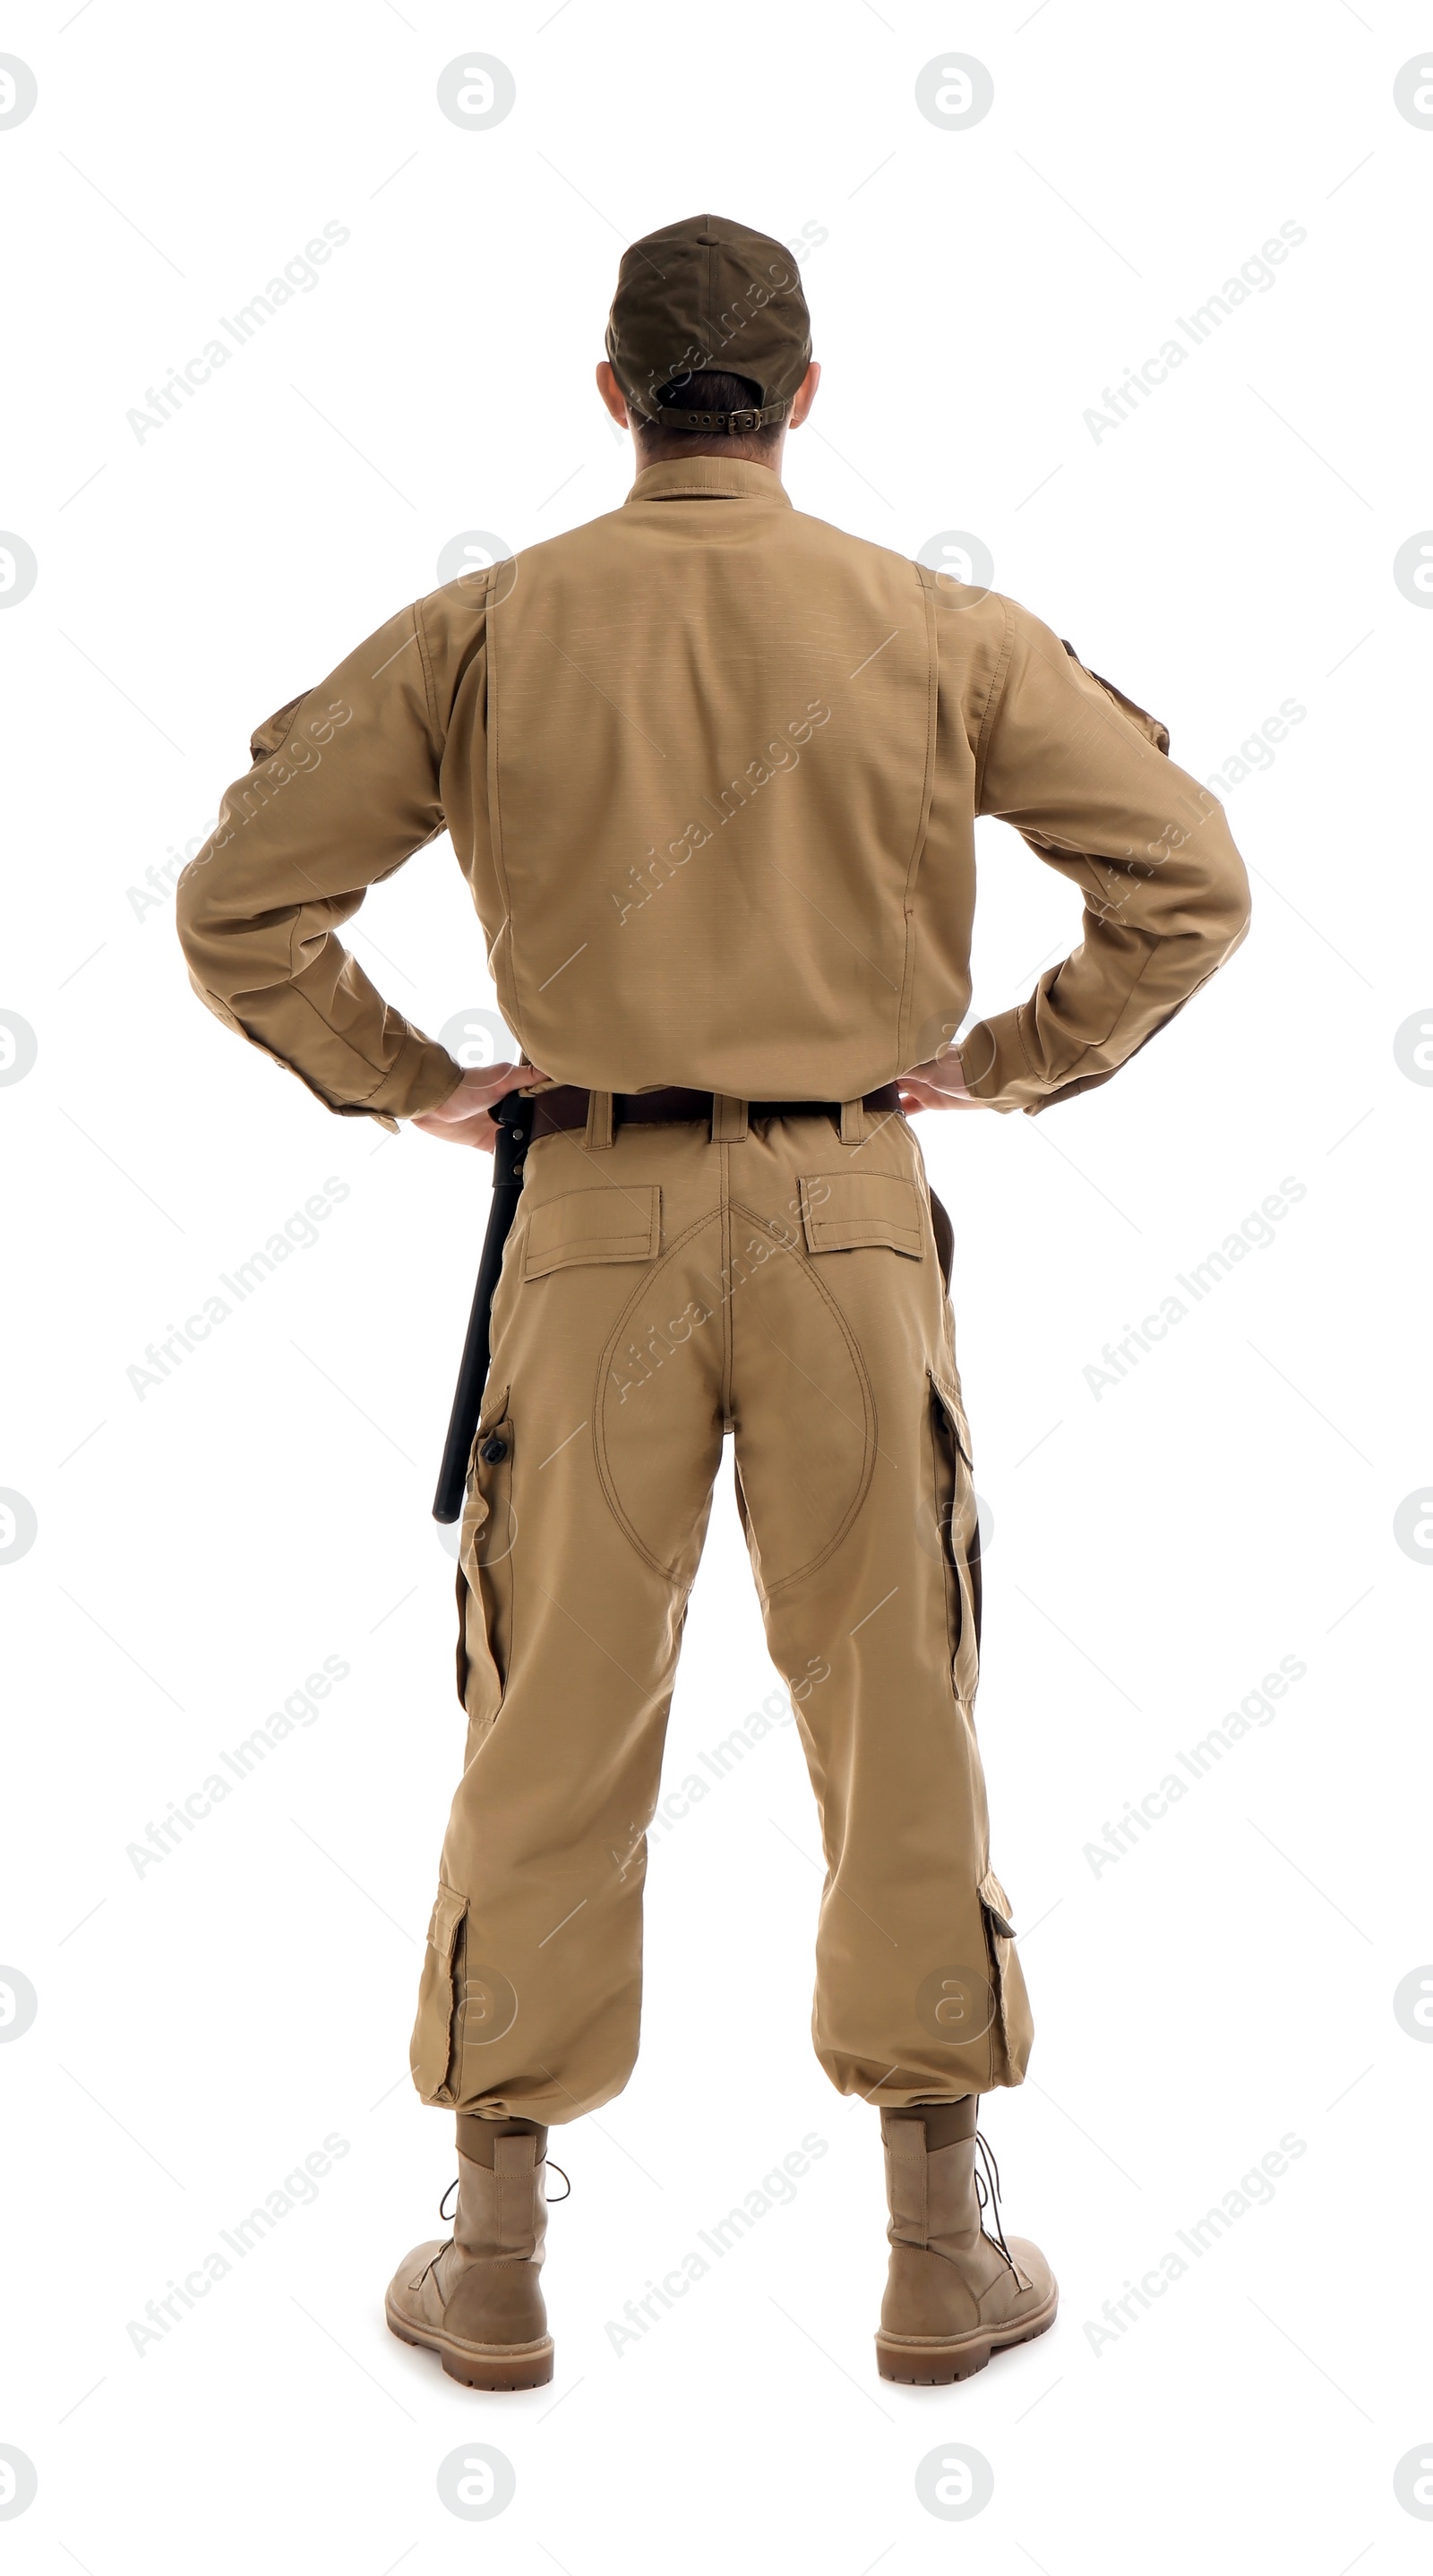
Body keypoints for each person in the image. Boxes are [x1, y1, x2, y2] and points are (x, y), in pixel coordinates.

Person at [176, 211, 1250, 2394]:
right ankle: (937, 2250)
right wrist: (1012, 1059)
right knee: (894, 1701)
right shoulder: (929, 624)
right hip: (854, 1208)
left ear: (609, 395)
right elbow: (1186, 884)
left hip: (584, 1218)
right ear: (802, 396)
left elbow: (239, 903)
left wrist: (416, 1086)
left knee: (550, 1695)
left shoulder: (487, 627)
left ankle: (490, 2264)